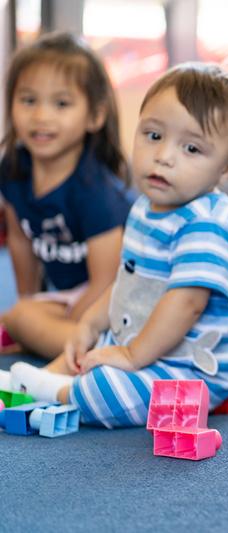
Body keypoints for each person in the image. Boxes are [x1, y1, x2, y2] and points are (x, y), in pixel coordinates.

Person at [2, 63, 228, 428]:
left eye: (191, 148)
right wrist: (89, 325)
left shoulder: (207, 224)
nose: (164, 156)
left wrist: (132, 355)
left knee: (108, 388)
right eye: (153, 135)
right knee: (85, 351)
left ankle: (53, 390)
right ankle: (39, 380)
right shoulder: (144, 207)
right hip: (139, 344)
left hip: (190, 371)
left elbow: (186, 304)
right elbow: (127, 282)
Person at [0, 32, 132, 358]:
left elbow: (107, 283)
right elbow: (19, 239)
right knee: (18, 316)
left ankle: (110, 354)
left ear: (95, 116)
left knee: (22, 320)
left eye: (61, 104)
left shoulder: (97, 191)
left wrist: (62, 328)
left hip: (121, 300)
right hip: (73, 297)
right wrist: (31, 305)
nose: (41, 116)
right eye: (28, 100)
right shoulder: (13, 168)